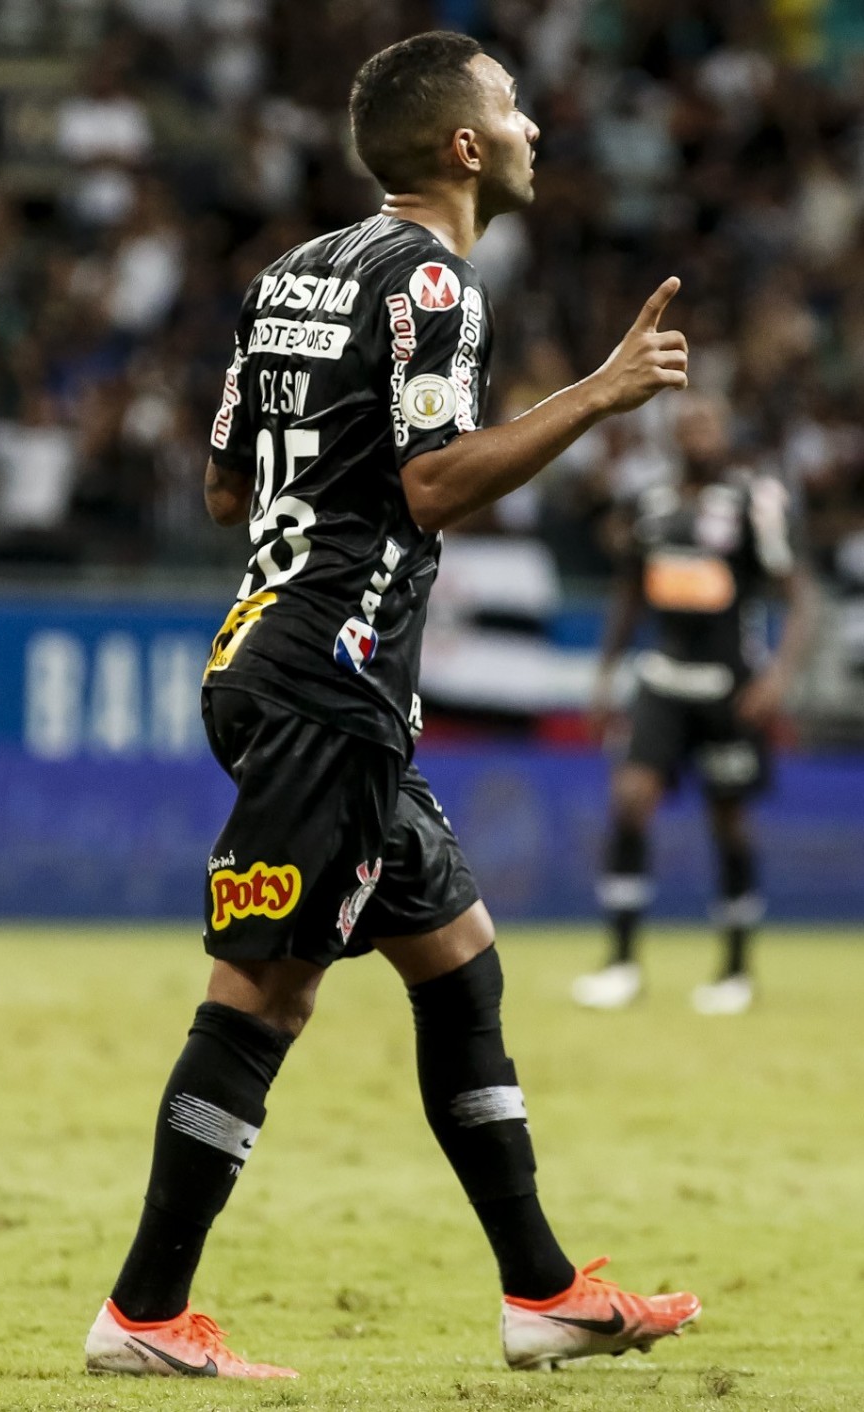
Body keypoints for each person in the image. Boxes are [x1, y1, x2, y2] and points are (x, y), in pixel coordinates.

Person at [85, 31, 699, 1380]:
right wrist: (600, 392)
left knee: (459, 962)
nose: (535, 126)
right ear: (465, 148)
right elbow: (430, 486)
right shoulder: (434, 277)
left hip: (277, 654)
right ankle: (139, 1315)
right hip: (329, 687)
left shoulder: (288, 275)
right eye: (514, 110)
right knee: (261, 1002)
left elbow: (225, 489)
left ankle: (540, 1292)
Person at [573, 393, 813, 1015]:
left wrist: (778, 677)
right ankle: (622, 964)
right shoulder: (651, 506)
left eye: (709, 422)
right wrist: (605, 679)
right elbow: (630, 598)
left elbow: (801, 598)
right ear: (673, 436)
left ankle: (734, 970)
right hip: (663, 678)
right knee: (630, 800)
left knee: (728, 820)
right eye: (688, 424)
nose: (699, 432)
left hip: (730, 686)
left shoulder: (752, 501)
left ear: (726, 432)